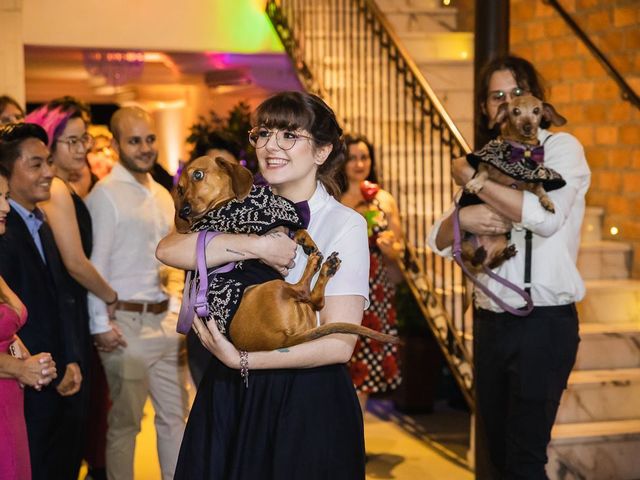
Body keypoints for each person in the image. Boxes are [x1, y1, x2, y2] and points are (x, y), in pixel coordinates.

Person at [156, 91, 370, 480]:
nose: (271, 146)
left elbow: (339, 345)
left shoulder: (345, 224)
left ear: (322, 151)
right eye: (263, 134)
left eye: (289, 136)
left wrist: (243, 360)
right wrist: (255, 245)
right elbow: (169, 247)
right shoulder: (239, 201)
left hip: (303, 397)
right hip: (231, 391)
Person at [427, 55, 591, 479]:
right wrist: (462, 219)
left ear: (537, 103)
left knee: (524, 459)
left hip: (544, 325)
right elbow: (436, 239)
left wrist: (475, 182)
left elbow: (545, 217)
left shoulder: (562, 148)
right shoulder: (492, 153)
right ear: (487, 108)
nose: (507, 102)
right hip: (489, 323)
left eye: (517, 93)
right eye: (497, 96)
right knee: (498, 454)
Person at [85, 106, 188, 480]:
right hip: (125, 327)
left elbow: (175, 260)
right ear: (115, 144)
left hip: (166, 324)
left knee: (175, 420)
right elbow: (95, 265)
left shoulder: (161, 193)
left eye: (149, 139)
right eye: (134, 141)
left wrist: (176, 308)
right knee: (125, 427)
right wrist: (99, 325)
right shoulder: (105, 195)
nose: (145, 148)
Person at [26, 96, 119, 480]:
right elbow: (75, 262)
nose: (82, 149)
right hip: (66, 310)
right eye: (73, 141)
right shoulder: (58, 190)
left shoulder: (67, 186)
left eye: (85, 141)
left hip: (70, 308)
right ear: (49, 143)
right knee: (67, 425)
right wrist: (112, 296)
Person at [0, 122, 85, 480]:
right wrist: (25, 369)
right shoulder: (5, 232)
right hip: (21, 383)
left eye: (48, 162)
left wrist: (71, 359)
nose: (49, 172)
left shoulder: (42, 221)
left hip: (45, 373)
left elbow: (61, 298)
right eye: (36, 164)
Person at [0, 163, 58, 480]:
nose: (4, 206)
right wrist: (21, 368)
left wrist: (28, 359)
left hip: (11, 404)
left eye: (5, 196)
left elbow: (7, 327)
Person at [338, 134, 403, 414]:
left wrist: (391, 247)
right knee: (340, 357)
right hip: (340, 284)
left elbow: (399, 248)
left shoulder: (383, 199)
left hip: (374, 289)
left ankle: (356, 439)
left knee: (365, 366)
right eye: (352, 157)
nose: (359, 163)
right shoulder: (333, 196)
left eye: (364, 157)